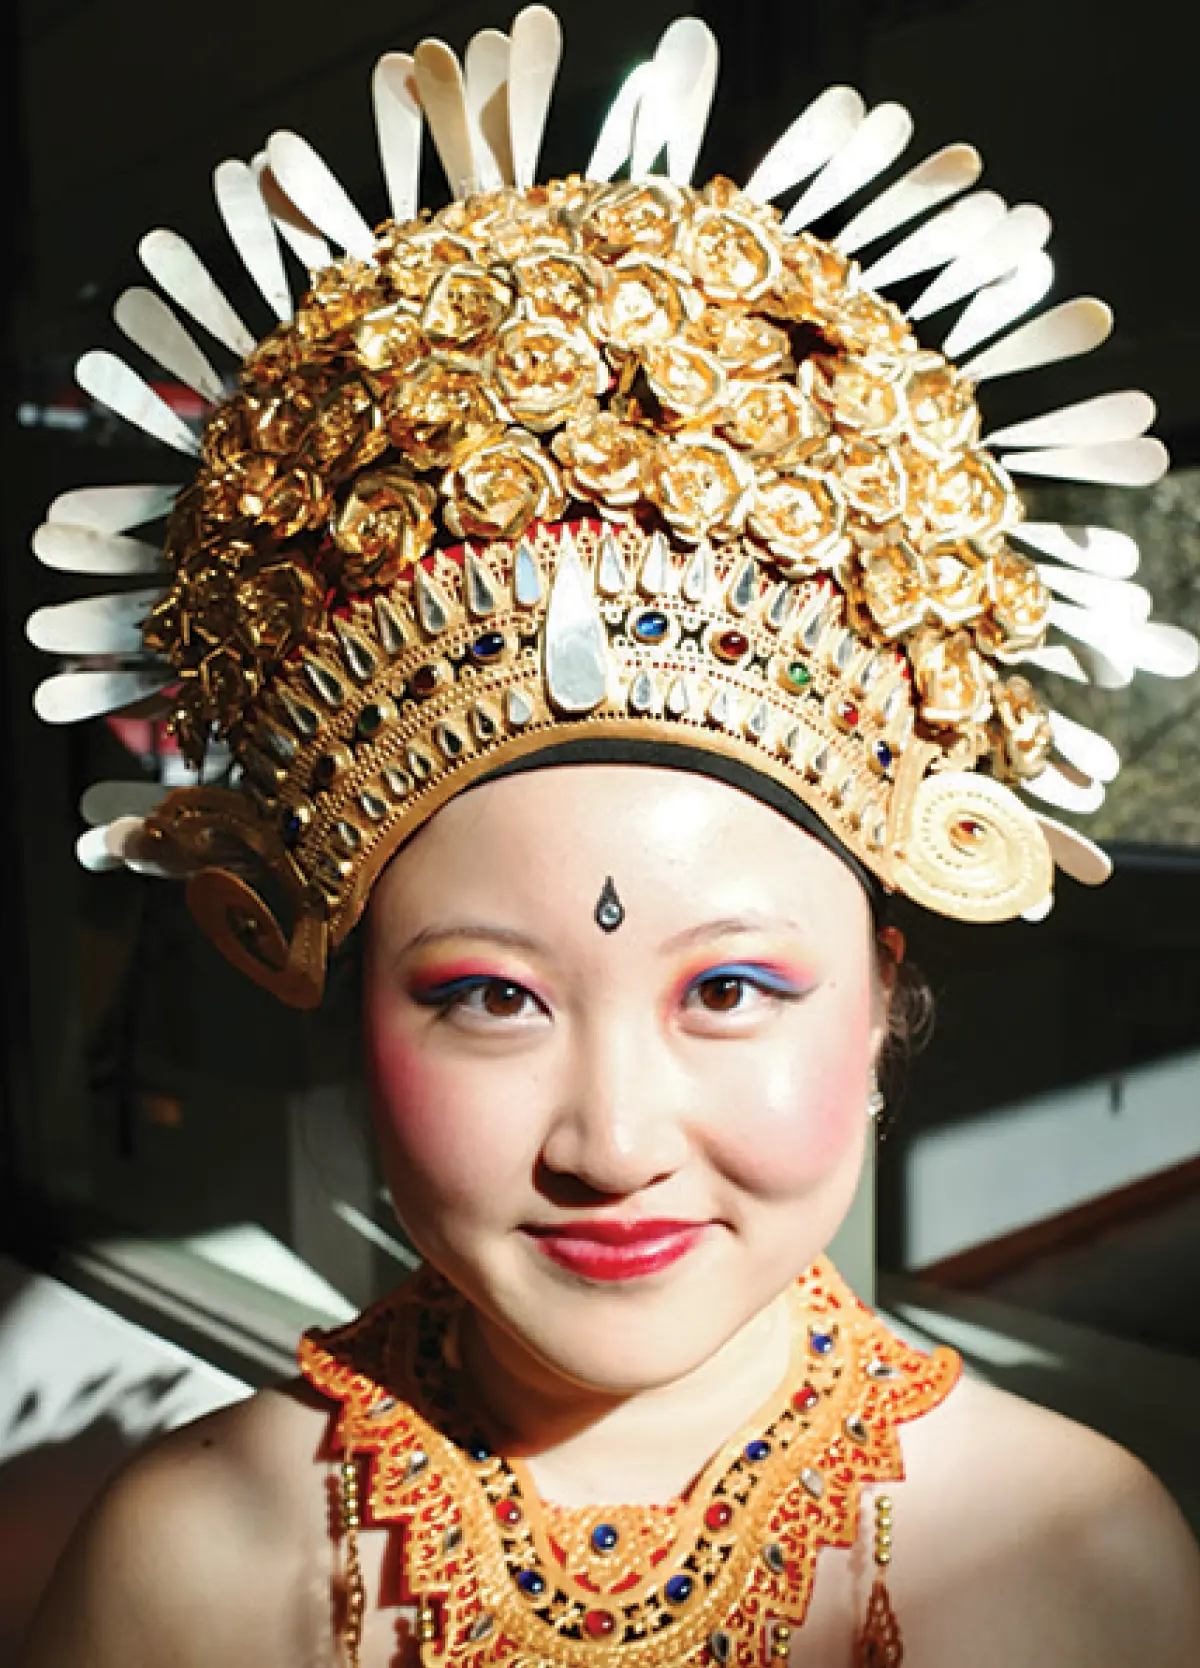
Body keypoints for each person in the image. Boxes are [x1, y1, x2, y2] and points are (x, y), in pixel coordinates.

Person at [18, 10, 1200, 1665]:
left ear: (878, 1007)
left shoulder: (1089, 1568)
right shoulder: (185, 1572)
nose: (612, 1142)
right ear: (339, 994)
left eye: (729, 989)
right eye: (491, 996)